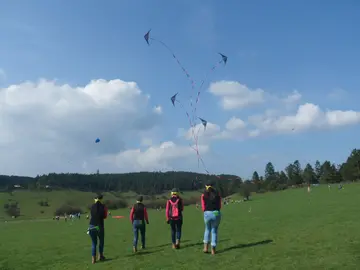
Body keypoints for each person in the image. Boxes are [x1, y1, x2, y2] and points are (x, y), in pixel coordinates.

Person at [201, 181, 221, 255]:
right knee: (214, 231)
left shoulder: (203, 195)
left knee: (207, 230)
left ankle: (205, 248)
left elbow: (203, 207)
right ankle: (213, 250)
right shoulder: (217, 194)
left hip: (207, 213)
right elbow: (220, 205)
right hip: (216, 212)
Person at [88, 194, 108, 264]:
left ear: (95, 199)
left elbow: (91, 215)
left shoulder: (92, 206)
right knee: (101, 241)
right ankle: (101, 256)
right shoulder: (104, 206)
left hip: (91, 226)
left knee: (94, 243)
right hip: (99, 226)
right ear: (101, 199)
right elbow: (105, 216)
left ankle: (93, 259)